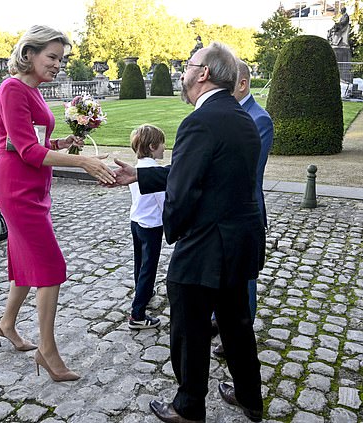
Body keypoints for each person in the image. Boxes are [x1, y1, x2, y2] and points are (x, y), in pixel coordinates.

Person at [111, 42, 265, 422]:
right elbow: (207, 170)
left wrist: (173, 232)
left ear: (204, 73)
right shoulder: (240, 114)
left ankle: (188, 407)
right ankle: (251, 398)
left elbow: (183, 191)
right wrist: (141, 173)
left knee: (188, 326)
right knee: (236, 324)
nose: (182, 71)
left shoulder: (199, 120)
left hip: (208, 243)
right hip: (239, 239)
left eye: (188, 65)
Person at [0, 25, 115, 383]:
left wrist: (63, 143)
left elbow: (30, 141)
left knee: (24, 261)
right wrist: (84, 163)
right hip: (16, 187)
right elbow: (27, 151)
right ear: (28, 54)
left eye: (61, 58)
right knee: (50, 266)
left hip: (32, 183)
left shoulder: (32, 90)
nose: (58, 64)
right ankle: (48, 350)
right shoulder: (13, 89)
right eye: (52, 56)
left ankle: (7, 324)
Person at [213, 60, 274, 358]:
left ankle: (239, 335)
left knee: (244, 280)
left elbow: (249, 173)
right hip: (220, 211)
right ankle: (219, 320)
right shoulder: (227, 113)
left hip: (244, 212)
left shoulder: (259, 119)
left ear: (243, 84)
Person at [127, 124, 166, 330]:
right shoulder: (155, 171)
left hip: (136, 221)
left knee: (139, 263)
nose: (164, 149)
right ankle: (138, 314)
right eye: (162, 145)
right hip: (151, 224)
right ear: (152, 146)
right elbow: (163, 202)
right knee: (148, 267)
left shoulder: (137, 167)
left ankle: (142, 291)